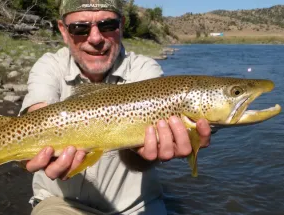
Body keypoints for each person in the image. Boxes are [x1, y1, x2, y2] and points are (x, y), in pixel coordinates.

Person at [19, 0, 211, 214]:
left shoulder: (144, 70)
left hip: (134, 207)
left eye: (108, 25)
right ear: (63, 31)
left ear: (122, 25)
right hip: (61, 204)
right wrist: (33, 142)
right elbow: (37, 109)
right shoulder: (49, 66)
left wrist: (147, 154)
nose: (95, 38)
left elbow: (140, 160)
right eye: (80, 28)